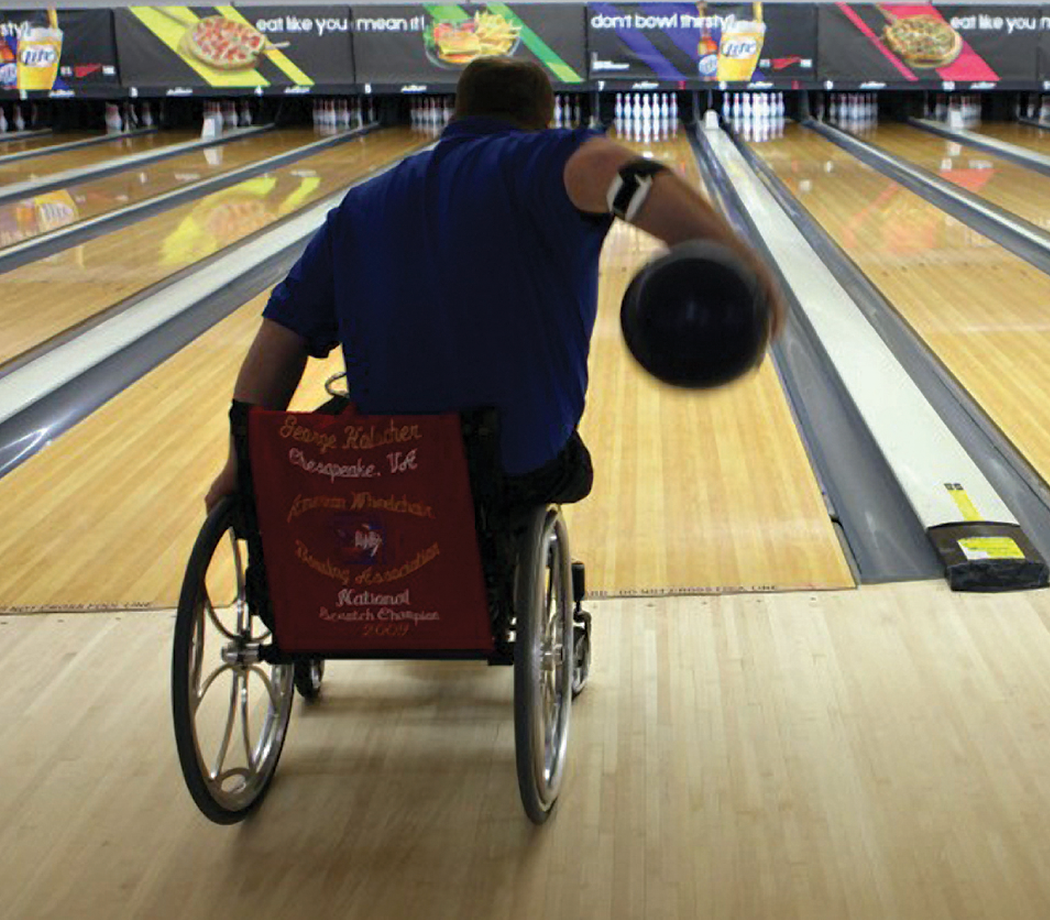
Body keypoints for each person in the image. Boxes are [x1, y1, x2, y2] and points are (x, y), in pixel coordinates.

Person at [205, 57, 784, 514]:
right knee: (567, 465)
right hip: (518, 459)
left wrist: (242, 463)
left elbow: (278, 338)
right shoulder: (545, 158)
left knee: (337, 421)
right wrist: (742, 266)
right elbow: (616, 170)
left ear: (454, 115)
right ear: (544, 118)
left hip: (389, 464)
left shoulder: (361, 206)